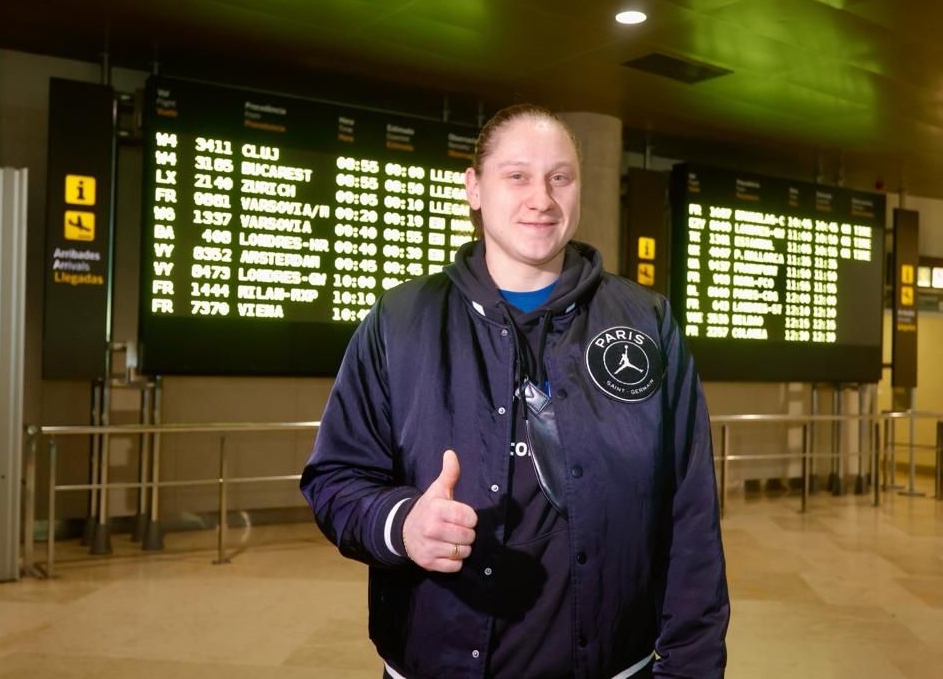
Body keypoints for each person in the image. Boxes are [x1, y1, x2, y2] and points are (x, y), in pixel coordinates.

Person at [301, 104, 729, 678]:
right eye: (517, 175)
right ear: (474, 188)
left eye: (560, 177)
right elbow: (335, 479)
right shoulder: (400, 322)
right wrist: (401, 524)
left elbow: (691, 508)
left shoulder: (647, 323)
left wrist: (688, 668)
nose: (542, 199)